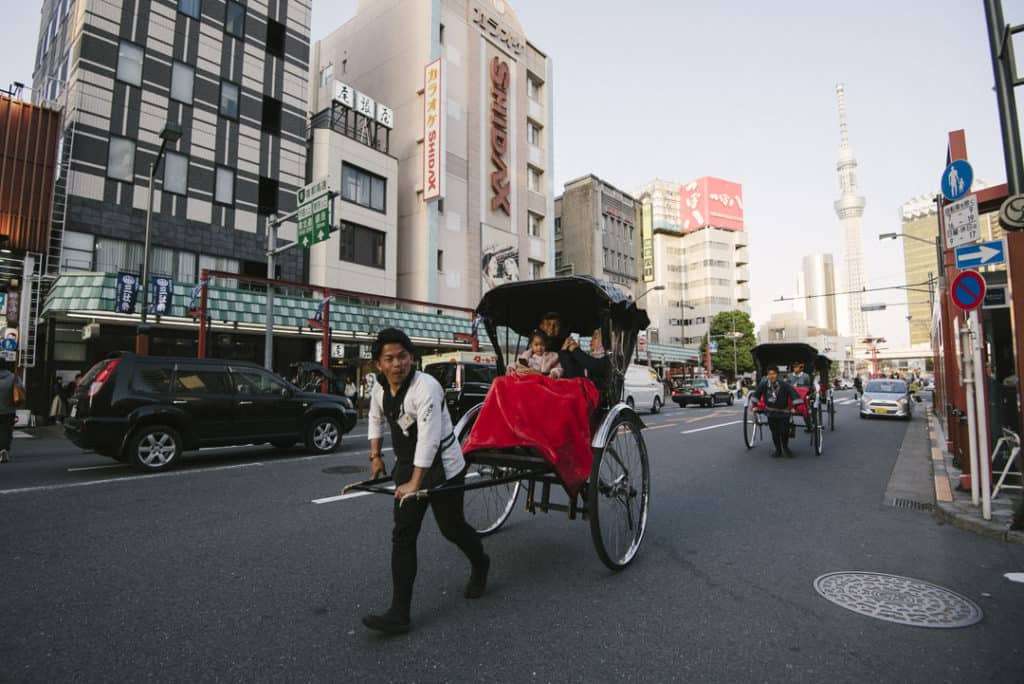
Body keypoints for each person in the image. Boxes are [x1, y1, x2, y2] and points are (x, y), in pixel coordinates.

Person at [362, 328, 489, 635]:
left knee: (451, 528)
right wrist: (376, 456)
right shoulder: (379, 388)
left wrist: (415, 484)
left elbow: (429, 441)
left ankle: (481, 562)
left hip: (443, 466)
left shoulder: (426, 386)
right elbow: (375, 418)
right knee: (403, 535)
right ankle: (399, 613)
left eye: (403, 357)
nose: (397, 364)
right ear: (379, 364)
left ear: (412, 358)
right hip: (409, 466)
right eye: (389, 359)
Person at [752, 366, 800, 458]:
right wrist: (754, 406)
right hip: (771, 412)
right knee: (774, 432)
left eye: (773, 374)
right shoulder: (764, 384)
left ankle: (785, 448)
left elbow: (793, 394)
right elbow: (756, 394)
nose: (771, 376)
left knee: (784, 431)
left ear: (777, 375)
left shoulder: (784, 384)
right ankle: (778, 450)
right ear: (767, 375)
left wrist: (794, 407)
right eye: (769, 374)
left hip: (784, 412)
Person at [0, 360, 25, 463]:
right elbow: (21, 390)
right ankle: (3, 449)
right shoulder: (13, 377)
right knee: (6, 431)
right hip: (9, 410)